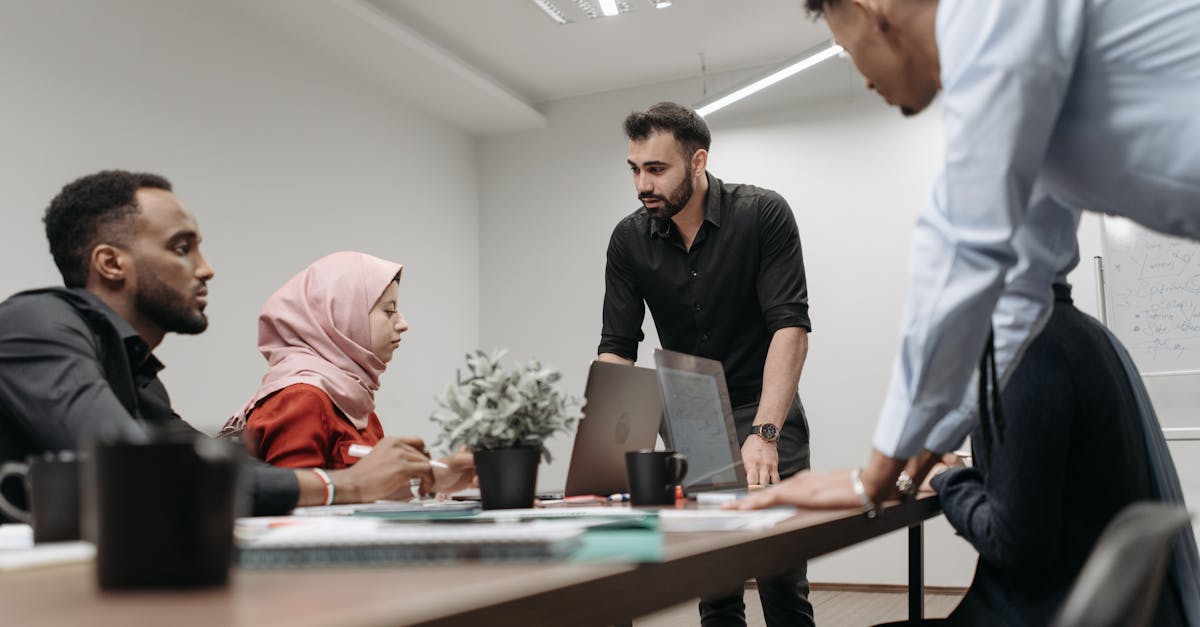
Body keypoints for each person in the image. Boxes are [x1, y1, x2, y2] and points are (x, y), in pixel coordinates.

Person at [734, 0, 1200, 529]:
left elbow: (960, 246)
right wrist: (917, 461)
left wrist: (875, 476)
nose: (862, 79)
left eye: (845, 49)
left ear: (870, 9)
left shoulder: (992, 13)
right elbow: (1021, 293)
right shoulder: (1024, 86)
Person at [0, 170, 445, 519]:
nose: (206, 268)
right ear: (111, 263)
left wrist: (432, 476)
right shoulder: (34, 325)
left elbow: (216, 467)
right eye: (182, 248)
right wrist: (345, 486)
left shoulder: (134, 371)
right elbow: (138, 472)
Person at [599, 101, 815, 626]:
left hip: (762, 407)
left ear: (697, 163)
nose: (641, 184)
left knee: (780, 579)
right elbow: (617, 349)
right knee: (714, 586)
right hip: (691, 413)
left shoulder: (762, 214)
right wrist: (608, 454)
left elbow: (790, 326)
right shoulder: (629, 240)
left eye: (656, 169)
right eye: (634, 168)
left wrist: (764, 433)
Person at [919, 272, 1188, 625]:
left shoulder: (1024, 349)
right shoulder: (1089, 335)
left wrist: (946, 479)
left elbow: (1014, 543)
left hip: (1034, 612)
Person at [220, 251, 473, 490]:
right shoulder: (302, 397)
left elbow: (369, 494)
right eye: (389, 310)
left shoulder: (351, 400)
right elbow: (297, 506)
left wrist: (435, 479)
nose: (402, 323)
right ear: (341, 316)